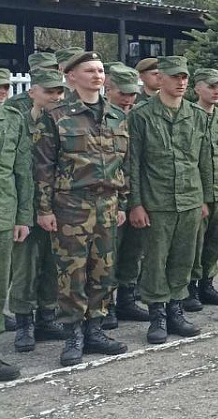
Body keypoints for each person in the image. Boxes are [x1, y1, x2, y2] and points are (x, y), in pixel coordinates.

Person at [33, 51, 130, 367]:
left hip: (108, 204)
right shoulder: (56, 116)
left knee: (103, 270)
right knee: (72, 272)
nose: (97, 76)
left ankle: (95, 330)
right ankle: (73, 334)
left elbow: (124, 164)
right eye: (90, 71)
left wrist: (122, 203)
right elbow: (44, 167)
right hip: (70, 206)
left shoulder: (116, 115)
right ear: (71, 76)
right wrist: (44, 210)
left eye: (100, 71)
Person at [126, 56, 209, 344]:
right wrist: (136, 203)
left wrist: (204, 199)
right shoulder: (141, 115)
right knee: (155, 260)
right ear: (160, 79)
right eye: (175, 77)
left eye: (184, 77)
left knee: (183, 258)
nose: (181, 82)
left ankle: (176, 310)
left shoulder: (196, 115)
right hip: (156, 201)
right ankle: (157, 315)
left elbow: (203, 162)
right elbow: (133, 163)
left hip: (189, 199)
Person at [8, 68, 67, 355]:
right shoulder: (19, 122)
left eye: (59, 92)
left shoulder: (65, 122)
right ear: (32, 92)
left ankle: (47, 316)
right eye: (49, 92)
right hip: (28, 206)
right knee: (25, 267)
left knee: (53, 264)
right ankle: (24, 323)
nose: (55, 97)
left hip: (60, 204)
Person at [105, 65, 151, 328]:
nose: (128, 99)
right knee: (109, 253)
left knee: (134, 250)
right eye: (122, 93)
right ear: (109, 90)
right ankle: (107, 305)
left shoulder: (140, 116)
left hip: (141, 194)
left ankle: (127, 299)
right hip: (114, 198)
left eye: (132, 94)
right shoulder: (102, 118)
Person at [185, 68, 218, 309]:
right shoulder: (188, 116)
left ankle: (207, 284)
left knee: (216, 240)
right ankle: (189, 288)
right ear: (197, 88)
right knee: (194, 242)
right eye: (211, 86)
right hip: (196, 192)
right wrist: (198, 196)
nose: (216, 91)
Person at [0, 68, 33, 380]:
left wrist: (23, 216)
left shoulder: (12, 119)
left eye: (4, 86)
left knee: (0, 284)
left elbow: (22, 170)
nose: (1, 92)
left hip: (4, 212)